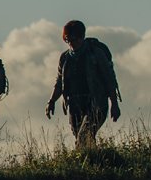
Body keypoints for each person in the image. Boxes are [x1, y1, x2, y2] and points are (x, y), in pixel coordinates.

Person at [45, 20, 122, 148]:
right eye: (67, 40)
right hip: (74, 105)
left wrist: (114, 103)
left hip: (96, 103)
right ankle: (95, 164)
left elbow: (109, 80)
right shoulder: (65, 58)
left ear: (82, 37)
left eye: (73, 39)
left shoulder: (96, 54)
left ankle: (88, 164)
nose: (71, 43)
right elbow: (59, 82)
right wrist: (51, 101)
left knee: (83, 137)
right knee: (84, 140)